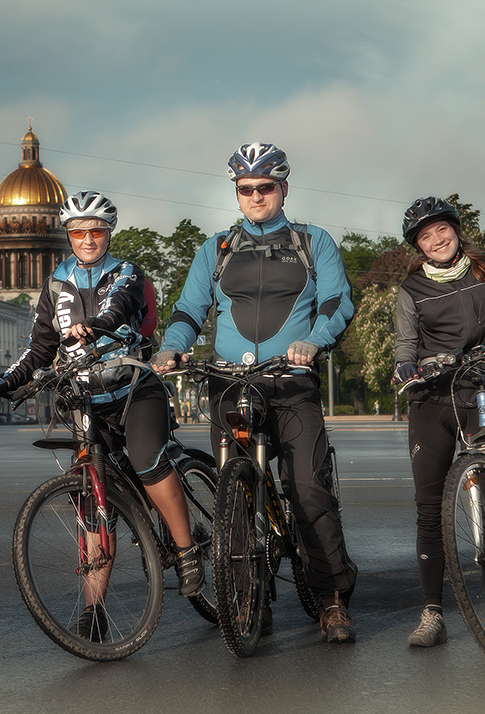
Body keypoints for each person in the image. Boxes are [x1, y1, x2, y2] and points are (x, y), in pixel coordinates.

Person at [153, 142, 359, 643]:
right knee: (237, 496)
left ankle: (331, 599)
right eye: (245, 190)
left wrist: (312, 342)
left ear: (282, 188)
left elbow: (337, 301)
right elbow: (187, 309)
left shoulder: (313, 241)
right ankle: (250, 595)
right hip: (230, 383)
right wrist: (171, 348)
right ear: (237, 194)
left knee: (307, 489)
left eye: (265, 187)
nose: (255, 196)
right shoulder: (216, 249)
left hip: (291, 385)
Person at [0, 190, 204, 640]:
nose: (87, 239)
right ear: (68, 235)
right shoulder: (54, 284)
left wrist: (95, 326)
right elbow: (41, 346)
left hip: (134, 389)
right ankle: (94, 609)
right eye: (78, 231)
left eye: (96, 231)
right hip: (85, 402)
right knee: (91, 505)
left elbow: (121, 309)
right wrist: (6, 381)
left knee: (147, 462)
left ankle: (187, 552)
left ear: (108, 233)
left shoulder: (127, 273)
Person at [393, 196, 485, 648]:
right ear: (418, 245)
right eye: (425, 236)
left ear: (455, 229)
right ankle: (432, 614)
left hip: (477, 389)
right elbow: (404, 347)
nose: (436, 240)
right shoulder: (411, 288)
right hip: (431, 395)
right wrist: (404, 369)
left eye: (441, 230)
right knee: (429, 506)